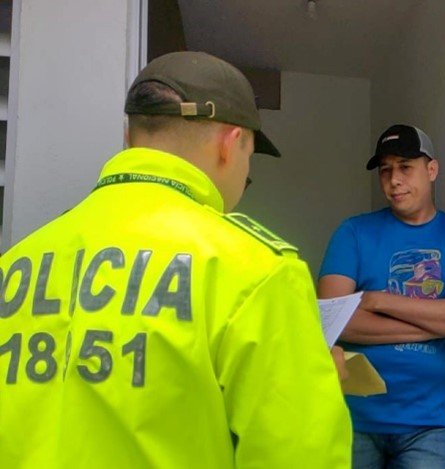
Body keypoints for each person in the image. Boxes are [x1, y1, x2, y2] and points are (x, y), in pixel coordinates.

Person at [0, 51, 351, 468]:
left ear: (129, 137)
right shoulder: (258, 270)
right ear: (230, 144)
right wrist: (314, 385)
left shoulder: (17, 262)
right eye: (250, 158)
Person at [317, 124, 445, 468]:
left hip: (430, 423)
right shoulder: (353, 232)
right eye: (385, 170)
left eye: (405, 167)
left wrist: (377, 300)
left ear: (432, 170)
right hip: (355, 418)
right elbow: (333, 322)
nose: (394, 180)